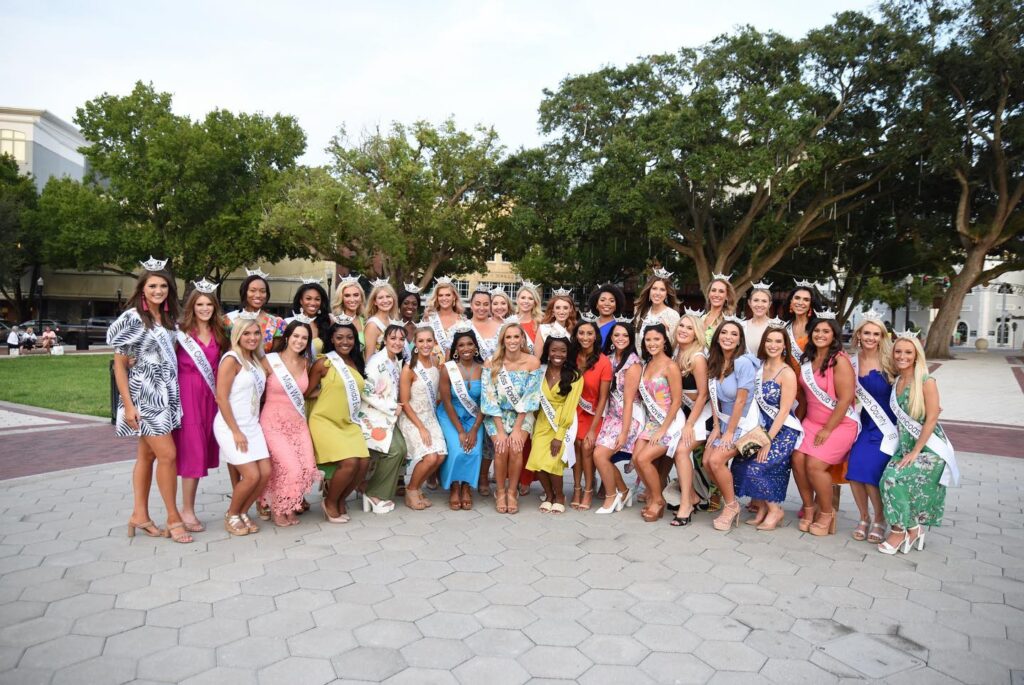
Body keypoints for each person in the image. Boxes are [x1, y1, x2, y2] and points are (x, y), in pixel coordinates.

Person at [108, 261, 190, 543]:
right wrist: (128, 406)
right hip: (145, 395)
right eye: (152, 285)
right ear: (142, 289)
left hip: (166, 392)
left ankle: (139, 515)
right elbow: (119, 365)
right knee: (168, 455)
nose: (158, 290)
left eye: (163, 286)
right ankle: (173, 518)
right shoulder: (133, 318)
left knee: (147, 455)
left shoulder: (168, 320)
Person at [878, 334, 959, 554]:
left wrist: (915, 452)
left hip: (929, 449)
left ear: (916, 356)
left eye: (908, 352)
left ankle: (899, 531)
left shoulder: (926, 381)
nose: (902, 356)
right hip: (906, 445)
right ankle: (913, 528)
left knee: (894, 479)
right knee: (885, 478)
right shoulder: (897, 381)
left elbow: (932, 418)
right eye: (898, 352)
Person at [732, 322, 802, 531]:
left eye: (778, 341)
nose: (773, 345)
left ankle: (775, 510)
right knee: (740, 462)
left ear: (785, 345)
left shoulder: (787, 372)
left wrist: (767, 442)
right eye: (769, 340)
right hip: (759, 426)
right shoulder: (759, 367)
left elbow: (783, 411)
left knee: (758, 467)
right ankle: (762, 508)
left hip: (781, 431)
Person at [793, 314, 859, 536]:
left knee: (815, 465)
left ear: (834, 336)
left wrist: (828, 429)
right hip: (812, 421)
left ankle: (827, 512)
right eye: (817, 331)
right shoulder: (807, 359)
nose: (820, 335)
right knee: (797, 458)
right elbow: (803, 397)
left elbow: (845, 398)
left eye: (826, 331)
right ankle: (809, 508)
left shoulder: (839, 360)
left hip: (839, 424)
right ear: (810, 334)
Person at [174, 282, 229, 533]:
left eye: (209, 304)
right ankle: (186, 510)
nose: (205, 308)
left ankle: (186, 508)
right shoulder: (181, 333)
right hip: (188, 397)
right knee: (192, 452)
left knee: (200, 451)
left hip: (210, 398)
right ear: (192, 306)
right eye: (200, 304)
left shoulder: (220, 333)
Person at [307, 315, 369, 523]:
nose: (345, 342)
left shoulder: (356, 361)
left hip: (348, 422)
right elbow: (306, 391)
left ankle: (341, 499)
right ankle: (330, 502)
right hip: (324, 420)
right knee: (350, 462)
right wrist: (321, 393)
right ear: (332, 339)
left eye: (350, 338)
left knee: (364, 462)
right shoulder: (324, 363)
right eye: (340, 337)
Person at [213, 316, 271, 536]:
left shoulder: (255, 360)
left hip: (252, 425)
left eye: (256, 333)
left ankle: (243, 511)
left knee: (265, 473)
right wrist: (236, 431)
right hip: (231, 426)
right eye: (246, 333)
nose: (252, 337)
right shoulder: (231, 359)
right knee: (251, 476)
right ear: (237, 335)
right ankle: (232, 514)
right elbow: (221, 398)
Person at [703, 320, 762, 531]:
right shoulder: (717, 362)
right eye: (724, 333)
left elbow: (740, 401)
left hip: (746, 426)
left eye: (733, 334)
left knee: (717, 460)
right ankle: (731, 501)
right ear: (718, 336)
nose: (728, 337)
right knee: (707, 461)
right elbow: (715, 400)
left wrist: (728, 433)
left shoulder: (743, 363)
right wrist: (717, 428)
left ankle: (731, 506)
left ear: (739, 340)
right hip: (725, 423)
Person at [260, 321, 320, 527]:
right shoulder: (269, 361)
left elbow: (308, 392)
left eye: (304, 338)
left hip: (297, 422)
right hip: (273, 422)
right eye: (296, 336)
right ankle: (279, 509)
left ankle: (289, 506)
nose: (299, 341)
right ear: (287, 336)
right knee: (289, 467)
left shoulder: (306, 363)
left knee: (306, 466)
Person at [481, 320, 542, 514]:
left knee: (515, 448)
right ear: (502, 340)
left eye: (516, 336)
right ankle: (500, 492)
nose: (513, 340)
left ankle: (512, 492)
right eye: (508, 337)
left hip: (522, 416)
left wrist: (517, 428)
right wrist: (500, 431)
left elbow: (531, 397)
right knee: (501, 447)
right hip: (496, 415)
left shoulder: (533, 362)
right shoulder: (492, 363)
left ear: (523, 338)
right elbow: (488, 397)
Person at [847, 313, 898, 544]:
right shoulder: (851, 361)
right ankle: (864, 517)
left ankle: (880, 519)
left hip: (888, 427)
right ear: (858, 335)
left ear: (882, 337)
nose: (870, 337)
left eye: (876, 334)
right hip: (866, 424)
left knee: (870, 474)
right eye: (866, 333)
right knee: (855, 470)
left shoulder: (891, 359)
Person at [526, 328, 584, 513]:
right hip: (542, 421)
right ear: (548, 352)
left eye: (562, 351)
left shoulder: (575, 376)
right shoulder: (540, 372)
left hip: (562, 423)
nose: (558, 354)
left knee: (553, 463)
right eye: (554, 350)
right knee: (537, 461)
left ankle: (559, 496)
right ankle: (549, 494)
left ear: (568, 354)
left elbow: (569, 407)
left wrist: (560, 435)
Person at [632, 320, 684, 523]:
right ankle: (655, 495)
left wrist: (663, 429)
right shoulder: (647, 365)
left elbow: (677, 400)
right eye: (648, 340)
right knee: (637, 459)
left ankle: (657, 500)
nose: (652, 343)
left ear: (664, 341)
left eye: (656, 339)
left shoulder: (671, 366)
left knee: (644, 459)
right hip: (651, 421)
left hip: (669, 423)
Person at [593, 322, 643, 514]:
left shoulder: (633, 363)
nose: (620, 338)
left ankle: (611, 496)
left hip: (627, 419)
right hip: (611, 416)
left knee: (600, 455)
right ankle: (623, 490)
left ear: (630, 338)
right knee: (599, 455)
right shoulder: (608, 358)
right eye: (616, 335)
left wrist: (624, 432)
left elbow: (629, 401)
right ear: (611, 338)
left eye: (625, 335)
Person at [358, 324, 408, 513]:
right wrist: (391, 406)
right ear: (384, 340)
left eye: (401, 339)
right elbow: (366, 390)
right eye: (393, 338)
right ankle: (374, 493)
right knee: (395, 450)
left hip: (387, 416)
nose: (397, 342)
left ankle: (375, 490)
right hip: (373, 416)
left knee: (401, 449)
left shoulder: (394, 360)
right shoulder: (376, 361)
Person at [398, 324, 447, 510]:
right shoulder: (409, 369)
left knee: (441, 456)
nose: (425, 344)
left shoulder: (435, 362)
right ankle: (411, 490)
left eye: (429, 340)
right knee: (430, 457)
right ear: (415, 344)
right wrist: (420, 427)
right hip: (412, 417)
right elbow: (404, 402)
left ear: (434, 342)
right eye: (421, 341)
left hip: (430, 416)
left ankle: (418, 487)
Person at [437, 326, 485, 510]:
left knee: (473, 450)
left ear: (476, 347)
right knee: (458, 450)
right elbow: (447, 402)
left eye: (470, 344)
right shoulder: (448, 369)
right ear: (456, 349)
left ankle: (466, 487)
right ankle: (454, 486)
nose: (466, 348)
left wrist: (473, 429)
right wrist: (460, 431)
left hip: (475, 417)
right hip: (451, 416)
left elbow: (485, 402)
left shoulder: (483, 368)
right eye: (461, 345)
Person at [670, 313, 711, 526]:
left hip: (701, 415)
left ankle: (686, 502)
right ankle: (693, 496)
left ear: (697, 333)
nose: (684, 330)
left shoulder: (697, 358)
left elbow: (703, 395)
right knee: (672, 448)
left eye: (689, 328)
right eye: (681, 326)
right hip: (683, 412)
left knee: (681, 450)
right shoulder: (677, 352)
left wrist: (689, 424)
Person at [571, 320, 612, 511]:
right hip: (573, 412)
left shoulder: (603, 362)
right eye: (581, 333)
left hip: (594, 414)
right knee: (575, 446)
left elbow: (603, 399)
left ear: (596, 336)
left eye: (589, 333)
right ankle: (576, 488)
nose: (585, 337)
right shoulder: (572, 357)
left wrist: (594, 429)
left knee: (585, 446)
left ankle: (588, 490)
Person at [224, 271, 287, 353]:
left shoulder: (278, 324)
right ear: (244, 292)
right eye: (253, 290)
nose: (258, 295)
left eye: (262, 291)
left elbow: (275, 356)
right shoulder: (228, 320)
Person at [633, 272, 680, 352]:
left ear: (667, 294)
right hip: (641, 362)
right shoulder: (640, 311)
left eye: (662, 290)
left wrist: (666, 332)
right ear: (649, 290)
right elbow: (637, 341)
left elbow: (675, 347)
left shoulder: (673, 315)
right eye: (654, 288)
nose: (657, 293)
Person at [424, 277, 465, 359]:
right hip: (432, 364)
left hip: (454, 366)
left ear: (454, 297)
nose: (444, 298)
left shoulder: (462, 320)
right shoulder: (430, 319)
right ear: (437, 298)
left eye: (448, 295)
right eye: (440, 295)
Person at [287, 281, 331, 357]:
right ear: (301, 301)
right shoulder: (288, 322)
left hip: (318, 367)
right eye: (308, 298)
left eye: (317, 299)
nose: (313, 303)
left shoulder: (327, 322)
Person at [363, 279, 401, 361]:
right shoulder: (372, 325)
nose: (385, 300)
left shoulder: (392, 321)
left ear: (393, 299)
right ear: (375, 302)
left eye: (388, 296)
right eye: (380, 298)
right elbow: (368, 359)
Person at [536, 290, 577, 354]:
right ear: (553, 310)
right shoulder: (543, 329)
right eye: (558, 308)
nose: (561, 312)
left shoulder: (576, 329)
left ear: (570, 309)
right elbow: (538, 357)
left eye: (565, 308)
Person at [331, 275, 367, 345]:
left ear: (361, 297)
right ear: (341, 298)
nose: (352, 300)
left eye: (356, 295)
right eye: (347, 296)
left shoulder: (365, 322)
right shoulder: (333, 321)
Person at [702, 276, 738, 346]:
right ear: (709, 294)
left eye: (721, 291)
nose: (716, 294)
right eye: (713, 290)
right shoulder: (701, 319)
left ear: (727, 296)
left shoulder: (729, 321)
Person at [468, 288, 500, 361]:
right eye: (477, 304)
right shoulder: (462, 327)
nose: (482, 308)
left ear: (490, 306)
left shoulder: (500, 328)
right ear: (471, 305)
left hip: (495, 371)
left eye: (486, 304)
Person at [743, 282, 773, 355]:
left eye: (764, 301)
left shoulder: (775, 325)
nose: (759, 305)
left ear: (769, 304)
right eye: (756, 300)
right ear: (749, 303)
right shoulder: (742, 326)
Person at [514, 281, 544, 355]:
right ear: (517, 300)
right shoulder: (510, 322)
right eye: (523, 298)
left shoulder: (541, 323)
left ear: (535, 302)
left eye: (530, 298)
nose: (526, 301)